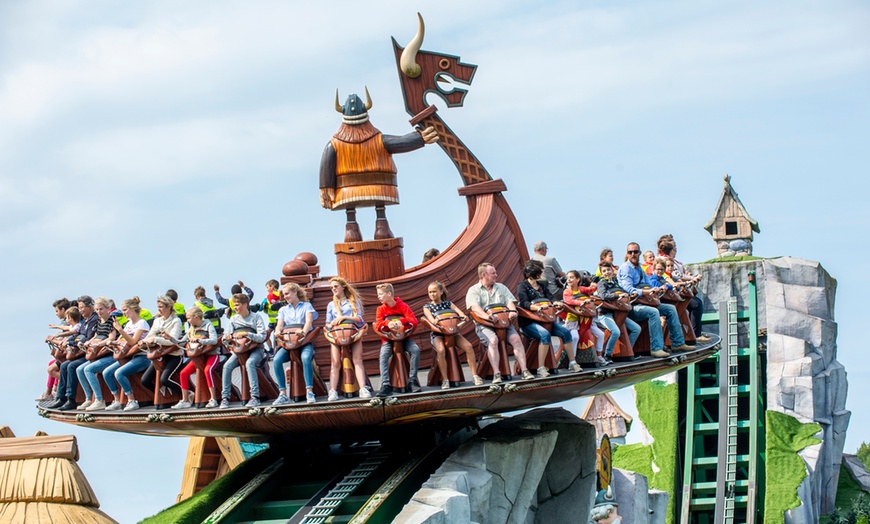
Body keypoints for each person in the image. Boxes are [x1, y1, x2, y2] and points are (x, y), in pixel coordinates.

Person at [319, 88, 439, 242]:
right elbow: (400, 142)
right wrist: (420, 138)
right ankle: (381, 229)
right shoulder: (379, 139)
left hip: (347, 190)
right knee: (380, 209)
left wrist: (325, 187)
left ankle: (351, 232)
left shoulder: (334, 144)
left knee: (351, 211)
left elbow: (326, 164)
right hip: (379, 186)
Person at [617, 242, 693, 357]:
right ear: (627, 254)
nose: (633, 254)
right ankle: (656, 348)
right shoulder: (625, 268)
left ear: (639, 253)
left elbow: (648, 284)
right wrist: (646, 292)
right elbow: (628, 289)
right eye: (630, 252)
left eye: (635, 252)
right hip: (631, 306)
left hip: (644, 301)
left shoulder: (639, 268)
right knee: (654, 312)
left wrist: (656, 289)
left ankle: (678, 343)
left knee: (670, 308)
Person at [465, 262, 534, 383]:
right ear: (483, 275)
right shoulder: (473, 290)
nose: (496, 275)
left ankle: (524, 370)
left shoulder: (501, 287)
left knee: (517, 339)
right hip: (485, 325)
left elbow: (510, 301)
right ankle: (497, 373)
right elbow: (475, 308)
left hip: (504, 323)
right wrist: (488, 317)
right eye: (493, 273)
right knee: (493, 340)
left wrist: (512, 311)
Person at [86, 297, 150, 411]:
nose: (123, 313)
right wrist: (112, 341)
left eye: (125, 310)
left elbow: (133, 341)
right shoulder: (129, 324)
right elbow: (121, 339)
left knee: (119, 373)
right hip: (128, 356)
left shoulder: (142, 323)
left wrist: (120, 330)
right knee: (107, 372)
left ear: (132, 309)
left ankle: (131, 400)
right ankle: (116, 400)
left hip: (142, 356)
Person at [516, 260, 573, 377]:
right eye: (540, 270)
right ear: (533, 272)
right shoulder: (522, 286)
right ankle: (541, 367)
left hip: (546, 320)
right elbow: (524, 302)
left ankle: (573, 362)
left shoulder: (542, 285)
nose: (542, 272)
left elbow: (550, 297)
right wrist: (536, 308)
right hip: (529, 322)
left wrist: (556, 302)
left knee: (566, 332)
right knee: (544, 334)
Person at [423, 281, 484, 389]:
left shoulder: (448, 303)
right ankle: (445, 379)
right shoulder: (427, 307)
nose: (432, 294)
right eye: (430, 292)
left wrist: (463, 317)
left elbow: (459, 313)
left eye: (434, 291)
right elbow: (431, 319)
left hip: (453, 333)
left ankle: (475, 375)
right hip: (438, 334)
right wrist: (435, 321)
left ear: (441, 292)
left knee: (469, 347)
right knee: (441, 350)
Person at [47, 295, 99, 410]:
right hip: (81, 350)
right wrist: (69, 341)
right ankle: (61, 398)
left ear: (89, 307)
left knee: (71, 365)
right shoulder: (85, 321)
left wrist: (75, 343)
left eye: (81, 308)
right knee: (65, 365)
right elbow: (77, 334)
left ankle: (72, 399)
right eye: (79, 308)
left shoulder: (93, 320)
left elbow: (88, 337)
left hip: (88, 353)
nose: (80, 310)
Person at [272, 283, 319, 405]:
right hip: (288, 342)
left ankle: (309, 391)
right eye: (284, 294)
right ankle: (282, 393)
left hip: (303, 341)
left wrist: (303, 332)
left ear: (295, 292)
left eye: (287, 293)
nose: (285, 296)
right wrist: (277, 331)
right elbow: (280, 324)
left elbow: (309, 321)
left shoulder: (306, 306)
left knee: (305, 358)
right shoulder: (283, 310)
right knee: (276, 360)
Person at [219, 293, 268, 408]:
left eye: (237, 305)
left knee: (250, 363)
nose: (235, 308)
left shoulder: (256, 317)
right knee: (227, 366)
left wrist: (248, 335)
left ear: (245, 304)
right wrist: (227, 339)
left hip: (255, 350)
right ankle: (225, 398)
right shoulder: (233, 319)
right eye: (234, 305)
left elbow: (262, 336)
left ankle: (255, 397)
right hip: (239, 350)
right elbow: (225, 337)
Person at [324, 277, 369, 401]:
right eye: (332, 287)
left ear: (343, 287)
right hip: (336, 334)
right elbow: (327, 323)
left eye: (336, 286)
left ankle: (362, 388)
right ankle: (332, 391)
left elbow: (359, 319)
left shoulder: (353, 301)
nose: (333, 289)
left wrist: (343, 318)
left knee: (357, 360)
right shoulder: (331, 304)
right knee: (335, 362)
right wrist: (331, 324)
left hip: (353, 332)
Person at [374, 283, 421, 397]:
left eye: (380, 294)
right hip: (388, 339)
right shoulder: (380, 309)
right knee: (383, 355)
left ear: (389, 294)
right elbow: (378, 324)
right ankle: (385, 385)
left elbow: (413, 320)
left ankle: (412, 381)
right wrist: (387, 323)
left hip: (405, 338)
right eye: (378, 295)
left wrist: (402, 321)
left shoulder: (403, 306)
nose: (378, 297)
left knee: (415, 350)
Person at [657, 236, 708, 342]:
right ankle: (693, 335)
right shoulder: (664, 261)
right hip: (670, 294)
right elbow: (674, 277)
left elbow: (676, 276)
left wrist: (689, 278)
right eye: (674, 247)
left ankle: (691, 334)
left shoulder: (672, 261)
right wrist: (689, 279)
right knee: (695, 304)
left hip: (676, 291)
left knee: (695, 303)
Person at [139, 295, 185, 409]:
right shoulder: (157, 321)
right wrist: (146, 341)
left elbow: (172, 341)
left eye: (161, 307)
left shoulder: (176, 321)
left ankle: (186, 395)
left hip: (174, 355)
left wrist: (155, 339)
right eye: (158, 307)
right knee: (144, 380)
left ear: (169, 307)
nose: (159, 309)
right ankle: (164, 396)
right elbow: (150, 335)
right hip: (159, 356)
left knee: (165, 379)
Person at [170, 306, 221, 409]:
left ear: (196, 317)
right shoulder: (191, 329)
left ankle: (213, 399)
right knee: (183, 373)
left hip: (212, 355)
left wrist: (200, 341)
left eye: (189, 318)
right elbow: (182, 342)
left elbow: (214, 340)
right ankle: (185, 400)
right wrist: (171, 339)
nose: (187, 320)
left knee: (208, 370)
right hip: (198, 357)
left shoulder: (208, 325)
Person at [75, 297, 119, 410]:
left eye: (101, 309)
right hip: (100, 354)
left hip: (110, 354)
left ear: (108, 309)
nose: (99, 312)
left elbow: (111, 338)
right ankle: (89, 399)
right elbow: (96, 335)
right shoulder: (99, 321)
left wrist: (99, 344)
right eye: (97, 309)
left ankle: (99, 400)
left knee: (88, 369)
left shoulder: (112, 320)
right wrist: (87, 343)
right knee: (79, 369)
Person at [596, 262, 641, 364]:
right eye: (604, 271)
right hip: (606, 314)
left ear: (612, 271)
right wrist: (617, 296)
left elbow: (622, 291)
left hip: (618, 314)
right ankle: (607, 355)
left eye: (608, 270)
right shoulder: (602, 283)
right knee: (615, 332)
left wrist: (630, 294)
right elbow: (603, 295)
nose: (607, 272)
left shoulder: (615, 282)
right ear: (601, 273)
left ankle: (628, 350)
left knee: (636, 329)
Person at [561, 270, 602, 371]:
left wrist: (594, 285)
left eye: (571, 277)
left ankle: (600, 356)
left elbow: (589, 290)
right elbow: (568, 300)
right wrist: (581, 302)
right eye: (568, 277)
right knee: (575, 337)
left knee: (600, 334)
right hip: (573, 319)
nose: (569, 279)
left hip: (585, 318)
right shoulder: (567, 291)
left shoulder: (581, 289)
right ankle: (573, 361)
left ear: (578, 279)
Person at [261, 279, 282, 353]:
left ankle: (271, 349)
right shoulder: (281, 295)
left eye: (267, 287)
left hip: (275, 321)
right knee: (276, 335)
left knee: (266, 335)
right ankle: (276, 348)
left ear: (272, 287)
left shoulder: (268, 297)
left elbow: (262, 307)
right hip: (277, 320)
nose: (267, 289)